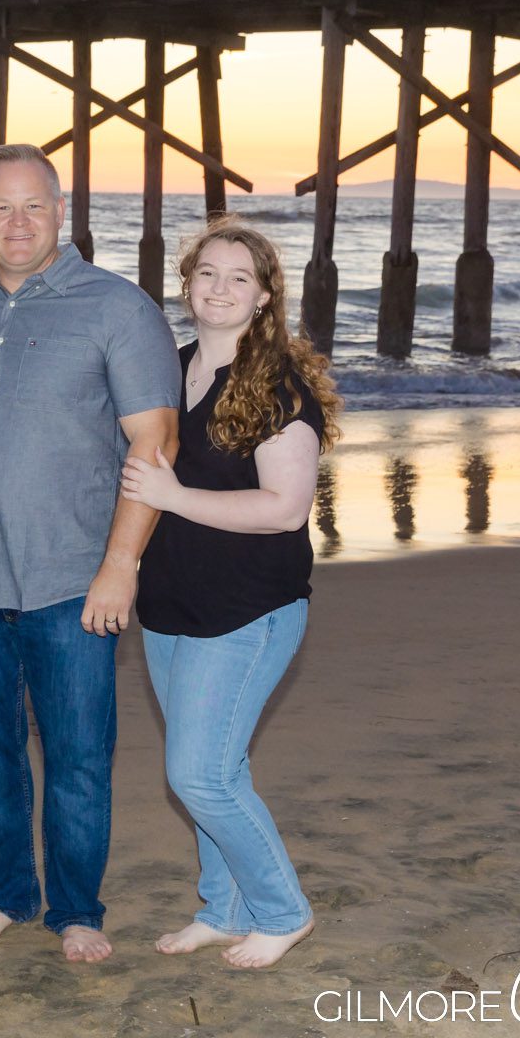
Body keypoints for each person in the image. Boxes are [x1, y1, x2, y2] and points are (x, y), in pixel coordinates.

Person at [0, 142, 180, 964]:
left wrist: (122, 563)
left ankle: (77, 907)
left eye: (33, 205)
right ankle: (5, 892)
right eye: (0, 206)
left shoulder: (118, 308)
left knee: (77, 754)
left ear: (62, 212)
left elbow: (155, 442)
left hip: (73, 578)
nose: (17, 222)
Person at [122, 217, 340, 972]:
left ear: (263, 297)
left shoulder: (279, 387)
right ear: (186, 285)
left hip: (248, 610)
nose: (219, 287)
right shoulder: (169, 370)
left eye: (238, 278)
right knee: (217, 769)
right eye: (207, 273)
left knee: (199, 774)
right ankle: (224, 908)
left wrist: (172, 495)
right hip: (171, 607)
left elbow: (283, 507)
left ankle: (284, 911)